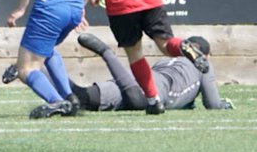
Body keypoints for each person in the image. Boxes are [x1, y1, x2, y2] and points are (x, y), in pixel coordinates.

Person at [69, 32, 233, 111]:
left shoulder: (167, 60)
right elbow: (212, 104)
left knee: (80, 98)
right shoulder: (203, 64)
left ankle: (47, 68)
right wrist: (223, 106)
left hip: (139, 77)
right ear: (206, 55)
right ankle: (106, 52)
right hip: (157, 88)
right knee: (138, 101)